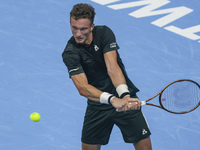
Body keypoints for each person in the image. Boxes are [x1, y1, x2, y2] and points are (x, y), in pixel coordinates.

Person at [62, 3, 152, 150]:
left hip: (125, 99)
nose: (78, 33)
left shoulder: (104, 33)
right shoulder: (70, 53)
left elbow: (112, 67)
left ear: (92, 27)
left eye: (83, 29)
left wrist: (124, 95)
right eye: (74, 28)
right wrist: (112, 99)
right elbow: (82, 88)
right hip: (98, 104)